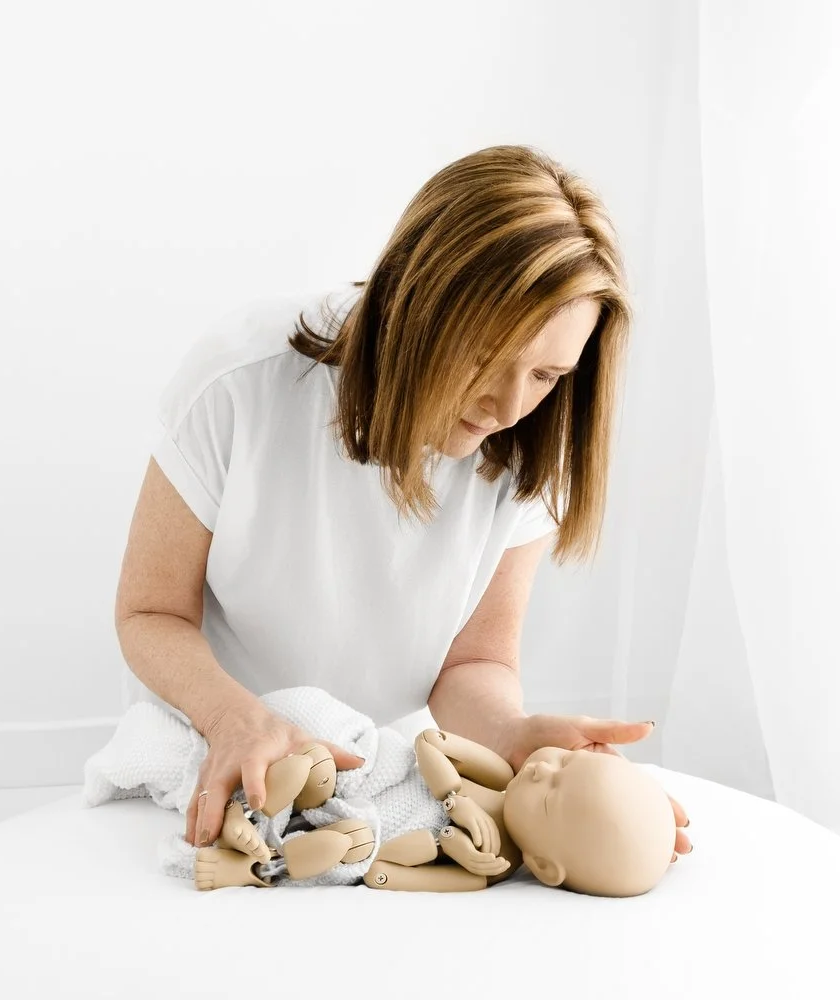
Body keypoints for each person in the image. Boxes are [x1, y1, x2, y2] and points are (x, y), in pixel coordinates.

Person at [112, 144, 692, 862]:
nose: (509, 406)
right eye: (486, 358)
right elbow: (151, 613)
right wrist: (235, 719)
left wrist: (510, 735)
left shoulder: (533, 446)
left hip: (370, 774)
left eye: (546, 374)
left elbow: (473, 661)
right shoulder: (241, 381)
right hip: (204, 752)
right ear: (417, 302)